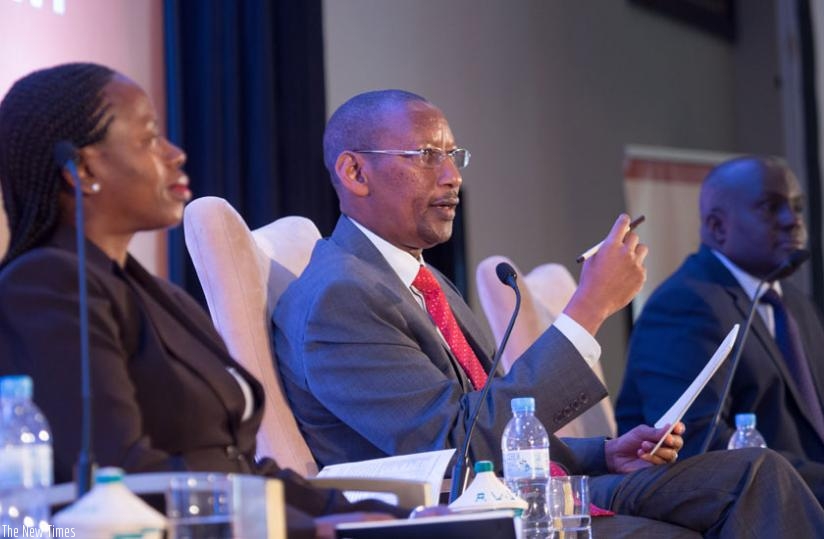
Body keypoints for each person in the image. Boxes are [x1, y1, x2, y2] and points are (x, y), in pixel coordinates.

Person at [273, 90, 824, 537]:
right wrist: (590, 307)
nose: (451, 177)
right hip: (463, 512)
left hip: (532, 486)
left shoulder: (423, 278)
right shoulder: (339, 295)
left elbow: (493, 421)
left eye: (453, 156)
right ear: (354, 172)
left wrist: (604, 451)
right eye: (425, 156)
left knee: (757, 474)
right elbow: (458, 445)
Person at [0, 63, 413, 539]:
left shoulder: (160, 295)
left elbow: (236, 466)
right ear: (85, 168)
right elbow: (120, 475)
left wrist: (383, 514)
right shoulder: (44, 285)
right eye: (149, 139)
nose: (175, 155)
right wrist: (304, 529)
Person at [616, 156, 824, 505]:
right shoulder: (686, 304)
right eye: (771, 208)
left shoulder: (794, 304)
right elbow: (697, 444)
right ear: (717, 227)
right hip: (750, 511)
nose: (793, 221)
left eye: (796, 207)